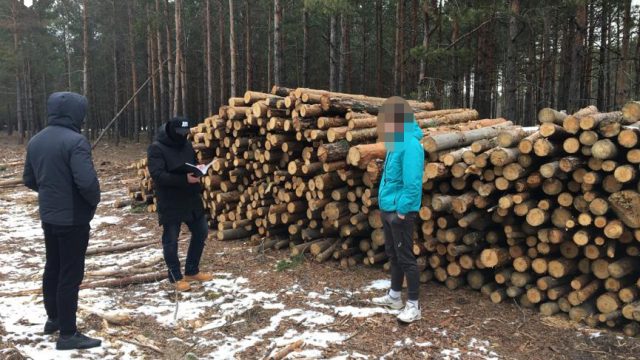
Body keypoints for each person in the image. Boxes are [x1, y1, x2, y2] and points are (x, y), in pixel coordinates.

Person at [23, 91, 102, 350]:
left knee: (54, 267)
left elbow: (29, 179)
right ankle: (67, 334)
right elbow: (87, 182)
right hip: (72, 219)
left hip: (49, 216)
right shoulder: (76, 141)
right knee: (70, 273)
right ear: (76, 113)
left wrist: (51, 193)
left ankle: (54, 319)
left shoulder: (36, 141)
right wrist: (92, 201)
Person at [371, 96, 425, 324]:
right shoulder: (397, 142)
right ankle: (395, 297)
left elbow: (412, 183)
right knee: (393, 255)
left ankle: (413, 305)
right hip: (389, 208)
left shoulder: (411, 144)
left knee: (406, 258)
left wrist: (401, 212)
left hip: (400, 211)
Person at [147, 117, 212, 292]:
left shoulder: (186, 144)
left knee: (201, 232)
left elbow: (190, 162)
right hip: (170, 200)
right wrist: (184, 178)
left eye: (186, 133)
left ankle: (192, 270)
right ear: (171, 131)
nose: (183, 136)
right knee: (171, 239)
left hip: (191, 197)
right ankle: (175, 277)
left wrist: (198, 169)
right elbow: (158, 175)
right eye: (180, 133)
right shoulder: (156, 148)